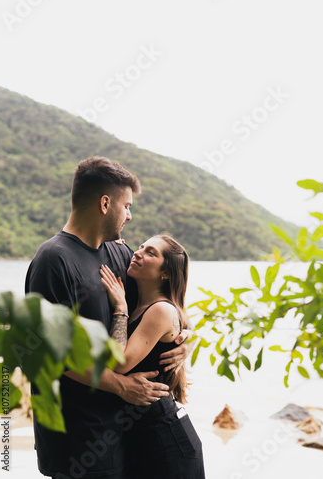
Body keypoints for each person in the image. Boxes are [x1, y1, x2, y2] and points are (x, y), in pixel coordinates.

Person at [25, 156, 193, 479]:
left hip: (122, 440)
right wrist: (120, 386)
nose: (130, 215)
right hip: (75, 443)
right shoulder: (53, 261)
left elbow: (162, 299)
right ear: (105, 203)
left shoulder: (120, 254)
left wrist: (184, 336)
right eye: (126, 206)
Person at [100, 233, 205, 479]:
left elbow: (118, 364)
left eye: (151, 253)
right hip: (145, 438)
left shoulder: (160, 309)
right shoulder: (144, 305)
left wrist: (120, 310)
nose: (138, 253)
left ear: (165, 274)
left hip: (167, 442)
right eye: (141, 246)